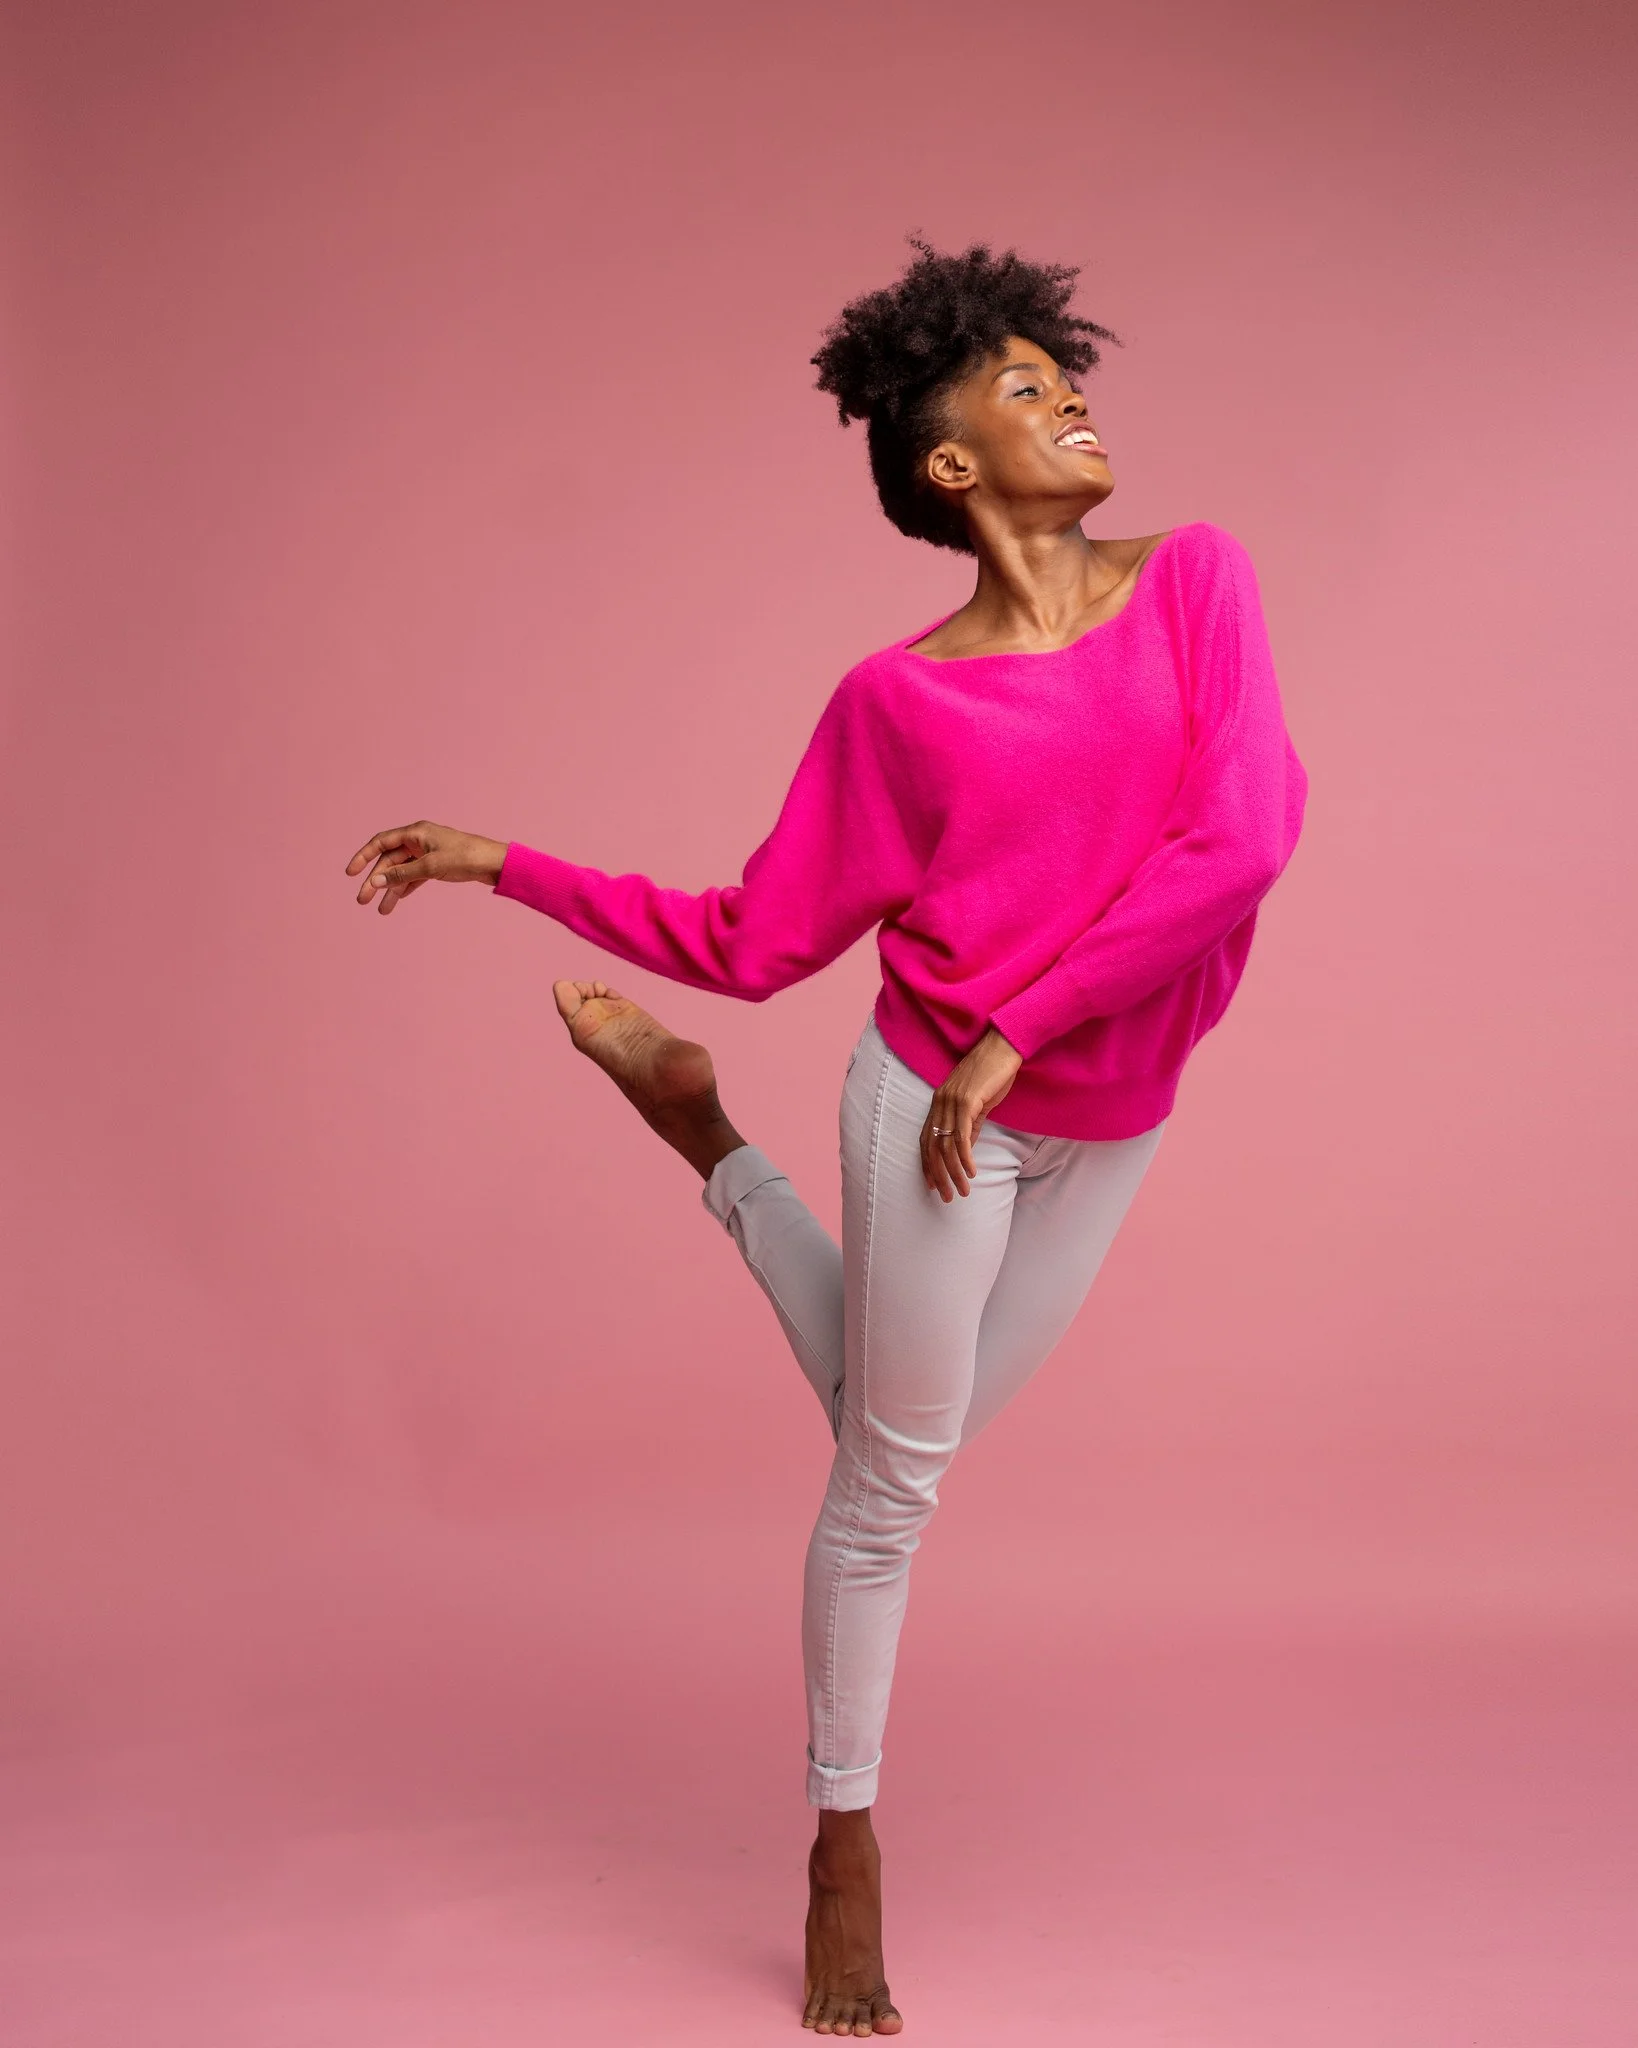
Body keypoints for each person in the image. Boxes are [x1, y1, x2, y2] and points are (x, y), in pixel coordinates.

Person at [344, 236, 1309, 2038]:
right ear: (949, 461)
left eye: (1063, 373)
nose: (1071, 397)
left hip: (1093, 1102)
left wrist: (1024, 1027)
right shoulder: (899, 701)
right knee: (891, 1486)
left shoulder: (1195, 580)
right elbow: (758, 937)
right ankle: (843, 1834)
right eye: (1024, 386)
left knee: (893, 1427)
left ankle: (703, 1137)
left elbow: (1240, 840)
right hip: (927, 1103)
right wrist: (506, 867)